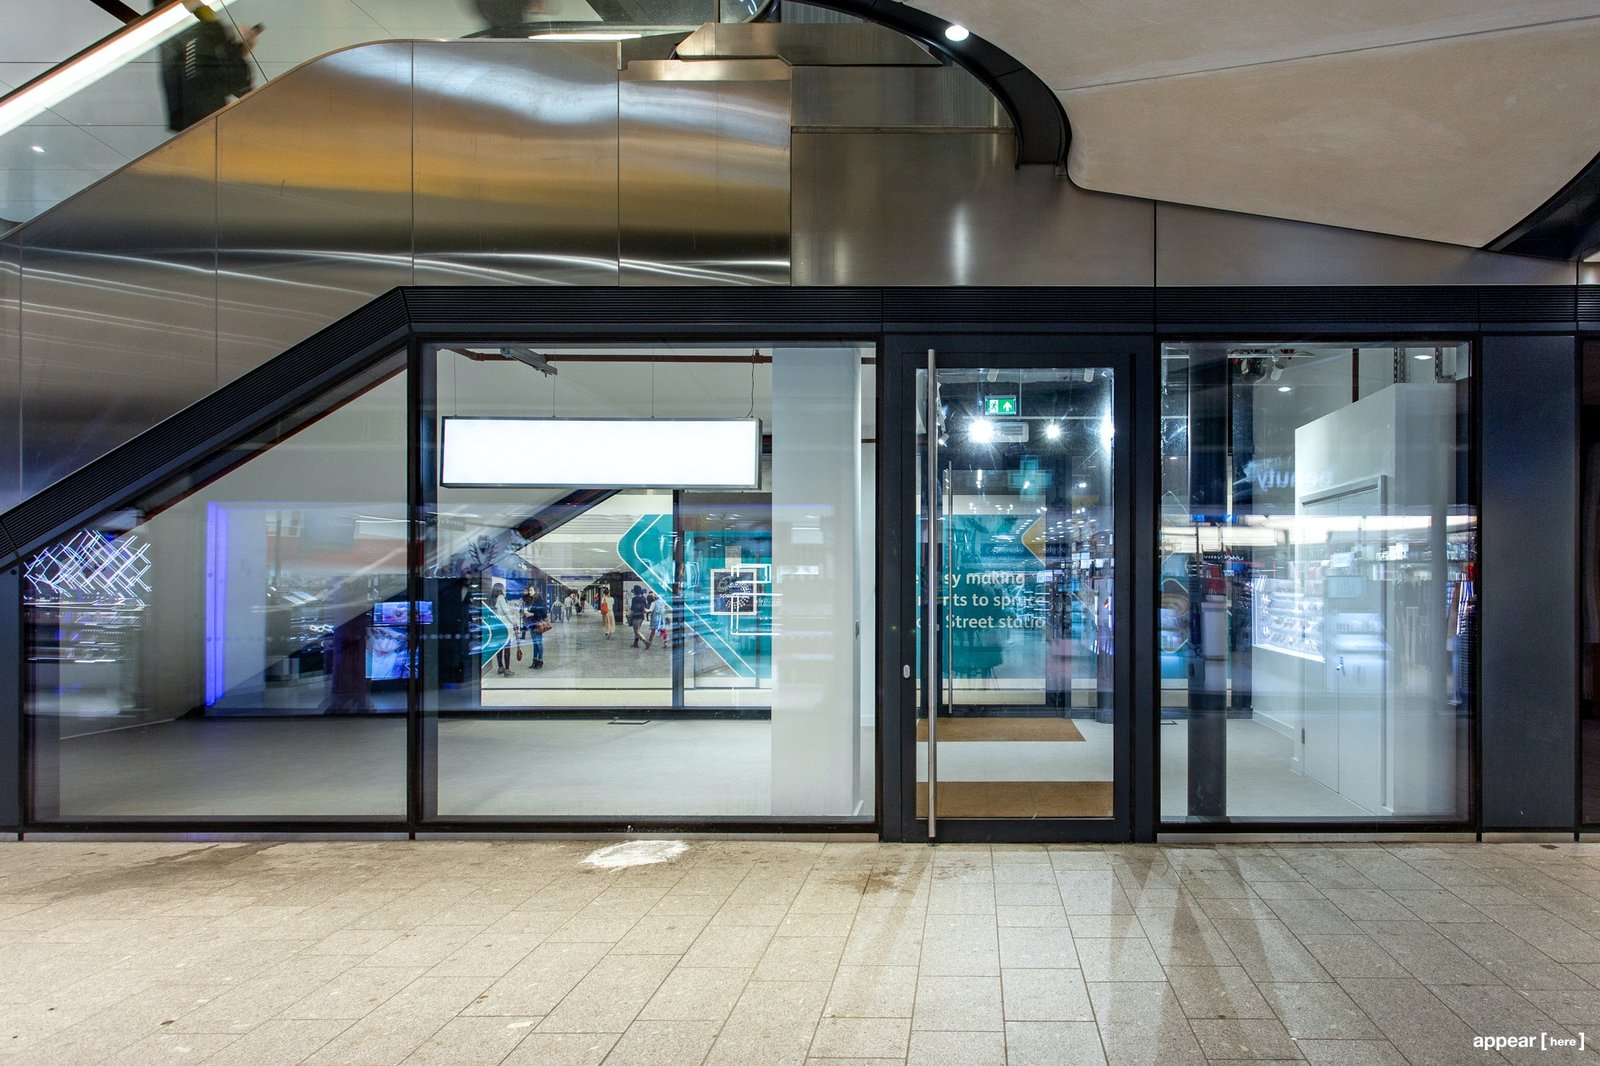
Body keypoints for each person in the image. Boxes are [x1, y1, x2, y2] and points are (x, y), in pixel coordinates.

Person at [157, 1, 262, 132]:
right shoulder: (204, 28)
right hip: (204, 120)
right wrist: (238, 51)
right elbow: (237, 83)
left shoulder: (177, 31)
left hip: (190, 121)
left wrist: (236, 49)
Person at [487, 583, 517, 677]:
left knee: (499, 648)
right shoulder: (500, 597)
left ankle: (500, 667)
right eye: (503, 588)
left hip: (496, 626)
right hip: (504, 626)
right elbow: (506, 612)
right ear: (500, 589)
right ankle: (507, 669)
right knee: (507, 648)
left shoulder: (491, 599)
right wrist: (514, 622)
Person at [520, 589, 548, 669]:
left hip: (538, 624)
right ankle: (534, 661)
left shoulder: (540, 601)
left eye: (531, 590)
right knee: (534, 644)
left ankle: (540, 661)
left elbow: (543, 613)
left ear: (536, 591)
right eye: (529, 590)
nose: (530, 592)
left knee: (539, 643)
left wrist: (531, 614)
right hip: (531, 624)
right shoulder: (530, 600)